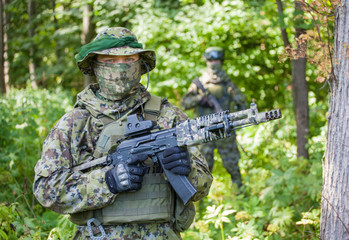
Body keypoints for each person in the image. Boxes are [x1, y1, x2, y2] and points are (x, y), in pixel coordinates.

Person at [33, 27, 213, 240]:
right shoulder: (75, 124)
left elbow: (203, 186)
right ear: (95, 67)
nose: (120, 68)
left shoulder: (168, 116)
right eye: (110, 61)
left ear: (140, 65)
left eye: (128, 59)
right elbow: (45, 189)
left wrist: (187, 170)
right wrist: (107, 182)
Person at [181, 46, 246, 190]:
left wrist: (234, 122)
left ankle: (241, 195)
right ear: (206, 61)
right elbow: (184, 103)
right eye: (211, 60)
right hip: (204, 132)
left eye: (216, 60)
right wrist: (200, 99)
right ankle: (200, 202)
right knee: (202, 168)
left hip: (224, 131)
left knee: (232, 165)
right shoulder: (199, 83)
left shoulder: (228, 84)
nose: (213, 63)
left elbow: (243, 105)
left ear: (221, 61)